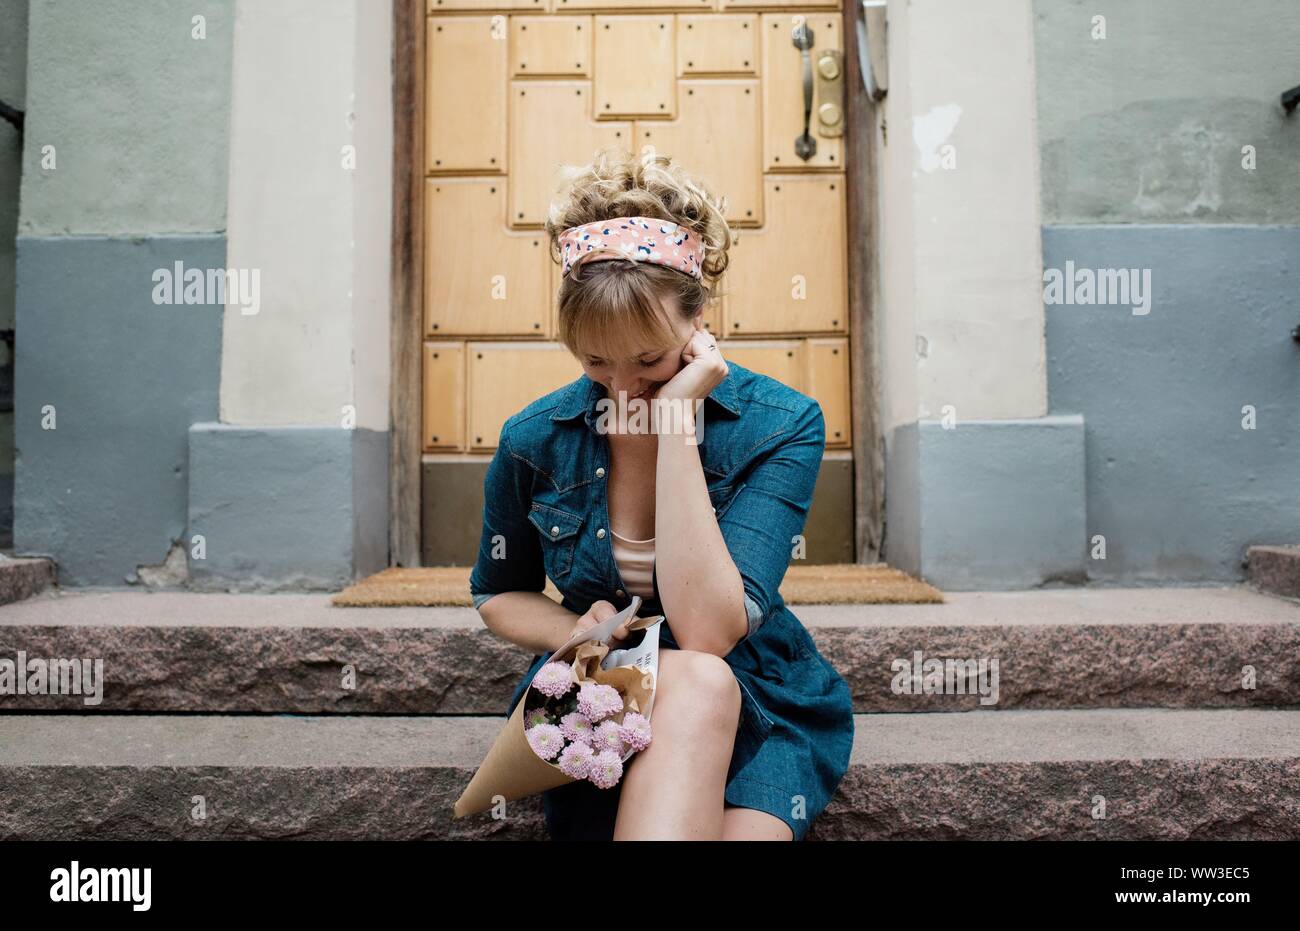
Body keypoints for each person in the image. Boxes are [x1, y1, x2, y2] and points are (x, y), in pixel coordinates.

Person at [468, 146, 855, 841]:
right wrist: (577, 631)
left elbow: (709, 632)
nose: (621, 387)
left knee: (705, 683)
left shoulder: (780, 424)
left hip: (757, 691)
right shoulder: (532, 439)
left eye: (648, 359)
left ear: (700, 319)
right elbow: (497, 591)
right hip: (605, 695)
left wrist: (676, 420)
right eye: (594, 360)